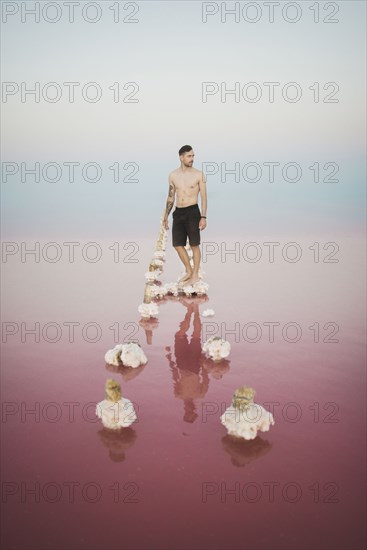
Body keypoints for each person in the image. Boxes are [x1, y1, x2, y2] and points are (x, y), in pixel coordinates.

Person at [163, 145, 207, 286]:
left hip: (193, 212)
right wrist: (165, 216)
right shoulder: (173, 175)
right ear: (181, 157)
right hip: (178, 212)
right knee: (177, 244)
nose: (192, 159)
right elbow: (171, 197)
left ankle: (195, 275)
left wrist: (203, 217)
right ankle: (188, 270)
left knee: (194, 244)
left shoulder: (199, 174)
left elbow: (204, 198)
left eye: (193, 156)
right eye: (189, 156)